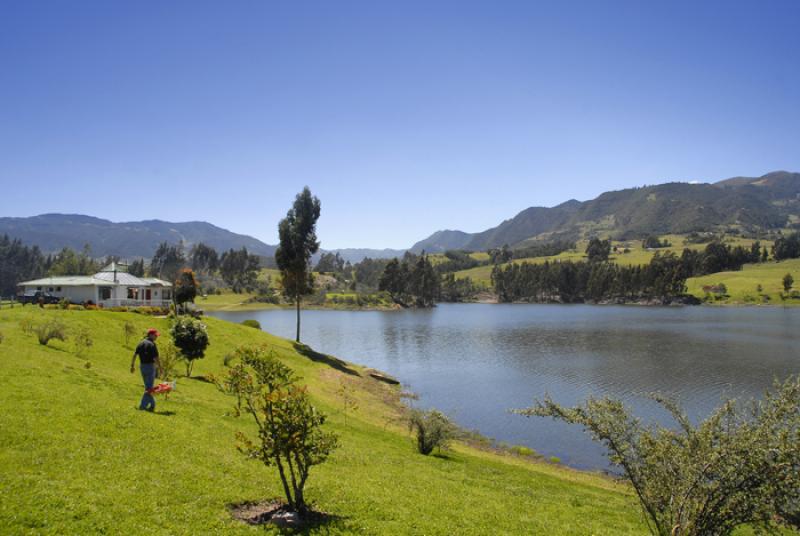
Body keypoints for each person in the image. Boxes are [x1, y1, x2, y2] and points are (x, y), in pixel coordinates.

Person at [130, 328, 160, 411]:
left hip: (142, 367)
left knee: (148, 387)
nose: (156, 337)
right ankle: (142, 406)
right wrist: (160, 368)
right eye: (155, 335)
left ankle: (152, 406)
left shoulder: (141, 343)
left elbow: (135, 355)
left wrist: (132, 365)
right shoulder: (152, 344)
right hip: (150, 367)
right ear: (150, 335)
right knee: (149, 389)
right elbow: (156, 358)